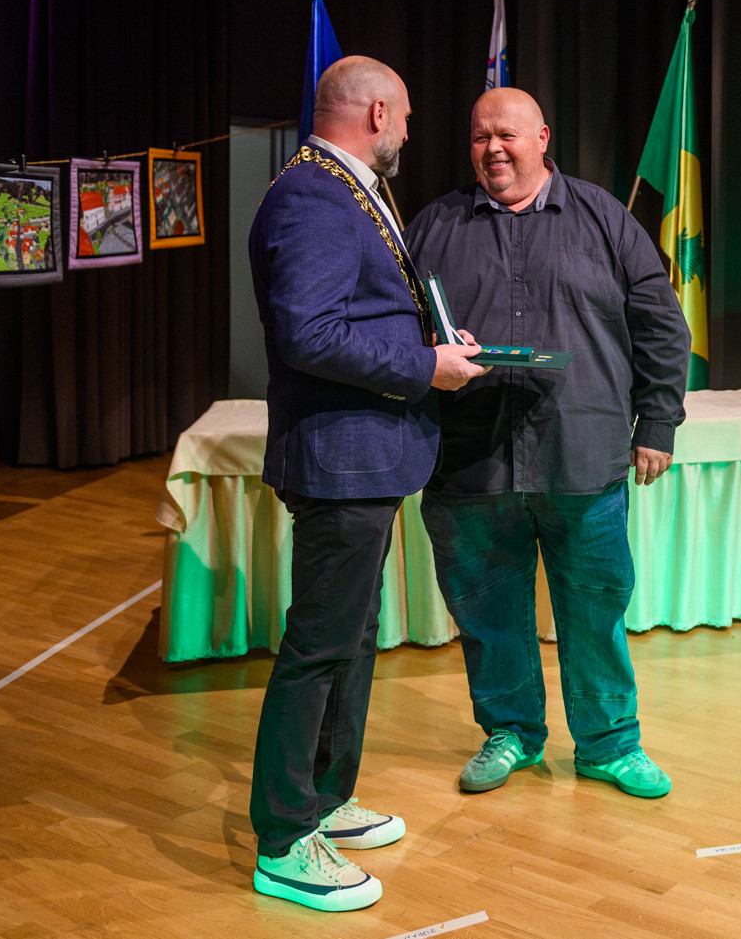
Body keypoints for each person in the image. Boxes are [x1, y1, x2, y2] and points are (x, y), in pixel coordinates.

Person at [247, 56, 486, 912]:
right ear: (378, 113)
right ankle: (283, 839)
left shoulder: (345, 188)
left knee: (351, 637)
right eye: (408, 118)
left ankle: (323, 797)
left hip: (365, 456)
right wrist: (426, 365)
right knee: (320, 644)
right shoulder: (313, 196)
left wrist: (436, 345)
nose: (411, 133)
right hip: (339, 459)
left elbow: (362, 314)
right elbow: (310, 333)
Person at [405, 87, 690, 800]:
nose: (493, 149)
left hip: (583, 456)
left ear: (542, 137)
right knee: (486, 610)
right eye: (480, 137)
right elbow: (395, 330)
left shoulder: (605, 219)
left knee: (595, 607)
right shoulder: (434, 226)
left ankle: (610, 744)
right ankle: (511, 733)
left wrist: (657, 423)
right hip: (469, 459)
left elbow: (662, 326)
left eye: (507, 134)